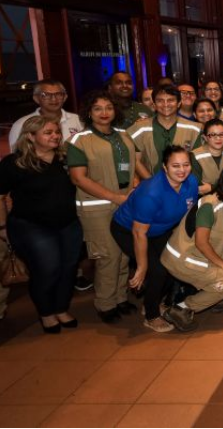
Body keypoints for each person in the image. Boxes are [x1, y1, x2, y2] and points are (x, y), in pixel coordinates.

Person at [0, 117, 83, 333]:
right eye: (48, 132)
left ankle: (61, 308)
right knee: (48, 268)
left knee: (68, 268)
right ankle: (46, 313)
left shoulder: (66, 159)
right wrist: (2, 227)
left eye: (56, 132)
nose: (55, 136)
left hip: (68, 223)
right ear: (30, 136)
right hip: (31, 225)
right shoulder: (14, 163)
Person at [67, 92, 139, 324]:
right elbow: (79, 178)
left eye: (108, 107)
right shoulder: (80, 140)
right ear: (89, 113)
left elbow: (132, 167)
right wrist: (114, 197)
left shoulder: (123, 136)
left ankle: (120, 297)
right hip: (97, 207)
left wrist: (134, 189)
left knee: (124, 253)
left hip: (126, 203)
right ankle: (105, 303)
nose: (104, 112)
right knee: (108, 255)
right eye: (98, 108)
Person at [111, 145, 199, 332]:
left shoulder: (191, 182)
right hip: (129, 230)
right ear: (165, 167)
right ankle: (151, 316)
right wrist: (142, 267)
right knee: (157, 270)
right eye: (176, 166)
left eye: (186, 165)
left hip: (160, 230)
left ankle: (152, 302)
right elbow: (138, 233)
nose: (182, 170)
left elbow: (187, 214)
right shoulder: (151, 192)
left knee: (172, 264)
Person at [160, 162, 223, 330]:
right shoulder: (210, 205)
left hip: (200, 253)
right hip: (183, 257)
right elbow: (201, 243)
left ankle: (221, 298)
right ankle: (181, 308)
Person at [127, 86, 202, 179]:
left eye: (171, 100)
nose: (165, 104)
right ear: (154, 104)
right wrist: (153, 184)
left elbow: (197, 162)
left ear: (179, 103)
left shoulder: (194, 129)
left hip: (184, 186)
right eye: (160, 101)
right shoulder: (139, 129)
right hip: (151, 186)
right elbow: (135, 160)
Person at [8, 79, 84, 148]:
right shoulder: (22, 124)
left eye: (58, 94)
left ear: (65, 97)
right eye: (46, 95)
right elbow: (15, 155)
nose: (54, 99)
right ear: (36, 98)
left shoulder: (77, 120)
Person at [192, 119, 223, 195]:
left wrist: (212, 187)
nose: (218, 138)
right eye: (213, 135)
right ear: (205, 137)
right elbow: (200, 188)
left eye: (222, 134)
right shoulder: (195, 155)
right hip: (204, 200)